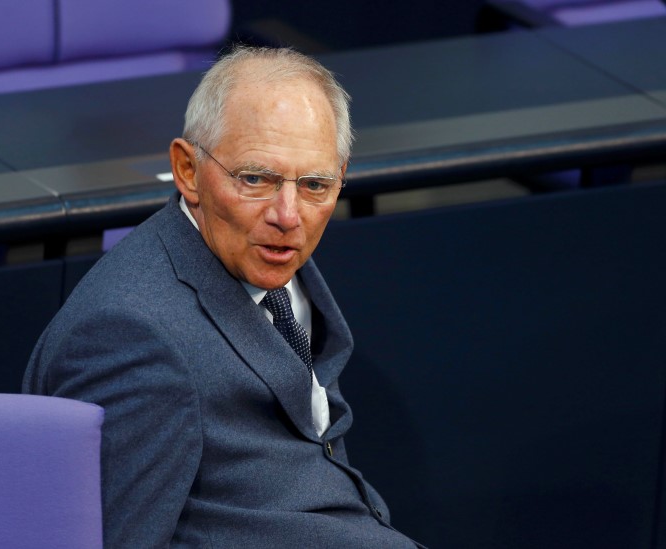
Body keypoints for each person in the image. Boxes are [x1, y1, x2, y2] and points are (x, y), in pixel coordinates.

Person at [23, 45, 423, 548]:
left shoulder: (265, 250)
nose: (288, 214)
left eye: (316, 185)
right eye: (256, 178)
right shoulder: (129, 337)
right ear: (188, 171)